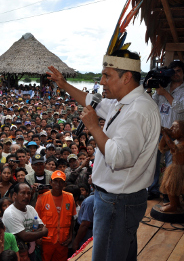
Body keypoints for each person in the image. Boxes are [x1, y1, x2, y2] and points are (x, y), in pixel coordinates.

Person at [47, 49, 161, 261]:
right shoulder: (122, 102)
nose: (102, 81)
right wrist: (63, 84)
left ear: (126, 77)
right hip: (118, 200)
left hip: (117, 202)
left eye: (107, 75)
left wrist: (94, 128)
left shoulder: (138, 111)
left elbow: (119, 158)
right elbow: (92, 100)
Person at [148, 60, 184, 200]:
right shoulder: (164, 86)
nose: (175, 74)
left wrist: (165, 93)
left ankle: (170, 194)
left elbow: (180, 108)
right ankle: (153, 189)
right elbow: (153, 104)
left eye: (179, 71)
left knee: (172, 166)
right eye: (173, 71)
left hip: (175, 133)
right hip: (158, 131)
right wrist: (152, 90)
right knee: (153, 163)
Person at [35, 171, 76, 261]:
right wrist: (37, 237)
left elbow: (72, 219)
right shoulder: (42, 198)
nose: (58, 184)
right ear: (50, 183)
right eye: (55, 181)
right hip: (46, 242)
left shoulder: (70, 197)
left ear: (64, 184)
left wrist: (70, 237)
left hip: (63, 242)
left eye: (61, 181)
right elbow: (36, 219)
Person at [2, 183, 48, 260]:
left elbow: (41, 226)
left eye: (28, 193)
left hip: (31, 252)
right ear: (15, 195)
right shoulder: (10, 213)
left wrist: (34, 234)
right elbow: (25, 236)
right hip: (17, 255)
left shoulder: (30, 209)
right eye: (23, 193)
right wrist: (42, 233)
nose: (26, 196)